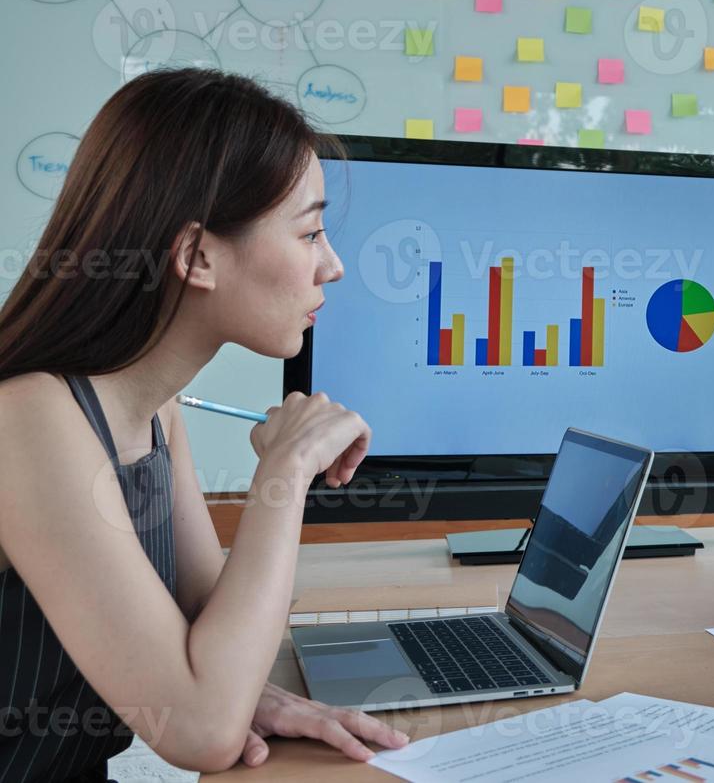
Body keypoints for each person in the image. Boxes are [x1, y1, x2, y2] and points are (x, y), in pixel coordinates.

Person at [0, 68, 409, 778]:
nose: (334, 266)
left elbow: (208, 623)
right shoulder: (30, 419)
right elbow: (201, 733)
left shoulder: (151, 404)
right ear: (195, 256)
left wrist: (256, 693)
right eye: (310, 232)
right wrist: (283, 472)